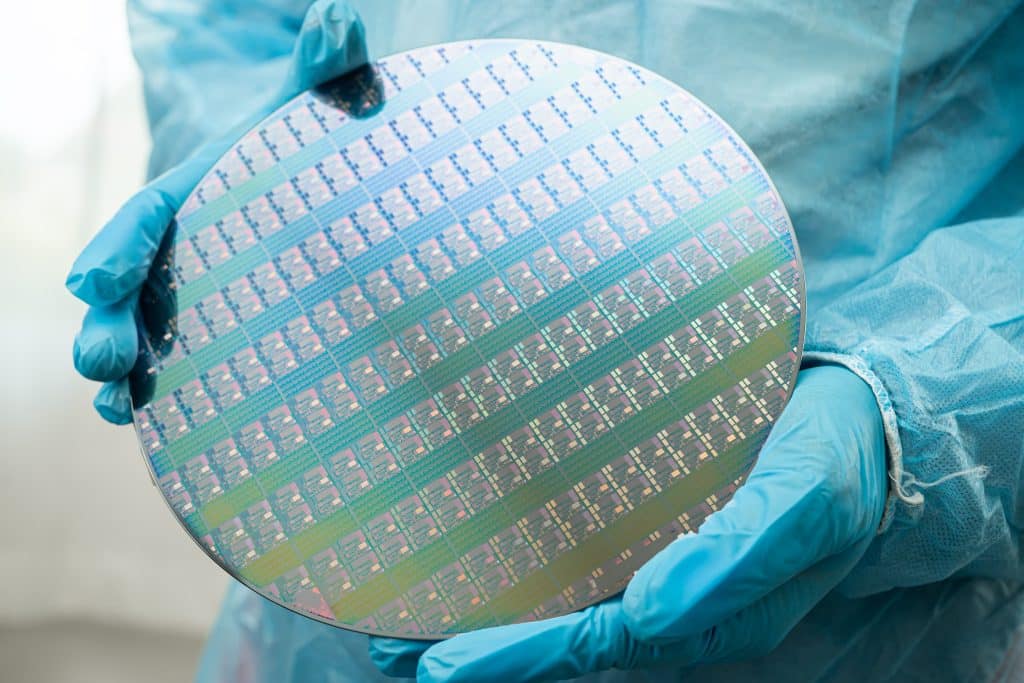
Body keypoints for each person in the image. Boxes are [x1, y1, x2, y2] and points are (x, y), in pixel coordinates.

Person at [67, 1, 1024, 680]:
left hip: (862, 631)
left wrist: (915, 398)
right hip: (364, 539)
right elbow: (220, 22)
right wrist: (269, 187)